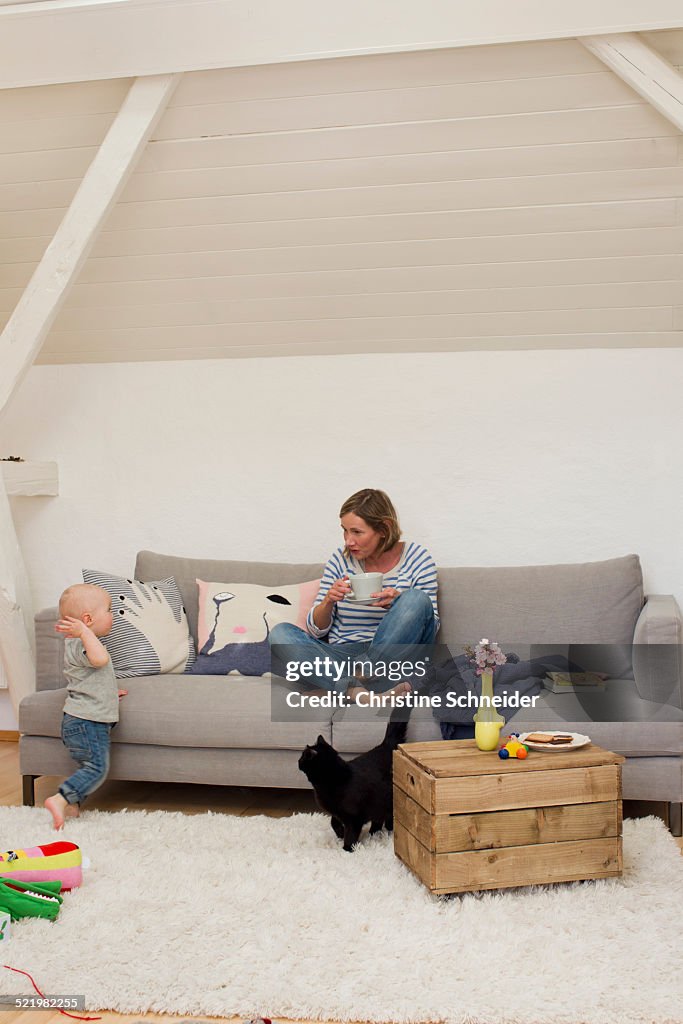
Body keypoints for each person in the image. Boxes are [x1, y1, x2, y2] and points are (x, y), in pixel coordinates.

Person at [269, 489, 438, 700]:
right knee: (280, 634)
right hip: (345, 656)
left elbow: (432, 624)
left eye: (357, 532)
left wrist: (399, 602)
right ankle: (355, 689)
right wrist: (329, 601)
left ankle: (340, 684)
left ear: (385, 528)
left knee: (415, 599)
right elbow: (316, 631)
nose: (348, 541)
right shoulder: (340, 560)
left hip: (394, 658)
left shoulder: (417, 558)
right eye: (345, 531)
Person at [44, 583, 126, 830]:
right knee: (97, 769)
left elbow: (90, 677)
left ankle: (72, 805)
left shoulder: (81, 643)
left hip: (83, 720)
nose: (113, 616)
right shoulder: (81, 642)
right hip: (86, 722)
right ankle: (60, 798)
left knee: (88, 767)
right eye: (110, 610)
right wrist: (85, 633)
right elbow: (100, 660)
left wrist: (109, 693)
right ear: (88, 619)